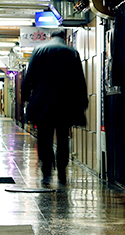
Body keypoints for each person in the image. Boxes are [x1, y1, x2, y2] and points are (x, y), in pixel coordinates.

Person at [21, 28, 88, 186]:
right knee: (63, 137)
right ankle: (62, 171)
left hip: (43, 102)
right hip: (66, 103)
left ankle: (46, 170)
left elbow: (29, 75)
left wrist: (26, 97)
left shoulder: (39, 51)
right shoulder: (72, 52)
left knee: (44, 137)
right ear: (64, 37)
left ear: (50, 37)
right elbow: (80, 80)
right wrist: (82, 101)